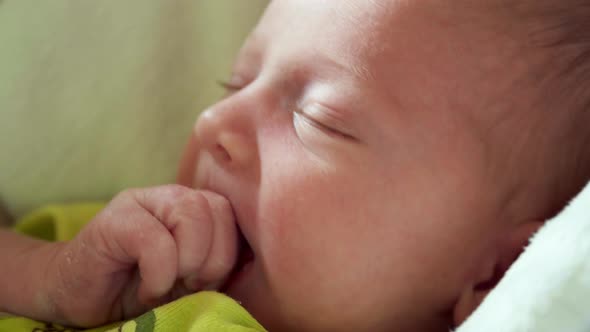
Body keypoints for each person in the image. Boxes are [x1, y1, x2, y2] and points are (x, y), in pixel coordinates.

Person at [1, 0, 589, 331]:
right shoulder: (115, 252)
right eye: (236, 81)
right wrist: (46, 277)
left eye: (319, 120)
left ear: (502, 275)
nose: (211, 122)